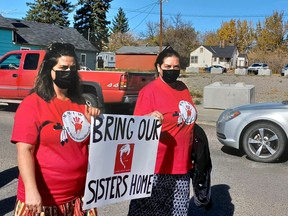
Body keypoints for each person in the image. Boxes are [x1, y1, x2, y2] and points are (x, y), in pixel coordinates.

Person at [11, 42, 100, 216]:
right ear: (49, 70)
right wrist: (31, 191)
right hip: (43, 201)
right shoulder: (32, 104)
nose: (68, 72)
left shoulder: (81, 103)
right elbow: (25, 150)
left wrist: (95, 122)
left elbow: (87, 145)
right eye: (63, 67)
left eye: (73, 68)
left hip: (78, 197)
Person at [128, 46, 197, 215]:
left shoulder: (183, 88)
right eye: (167, 67)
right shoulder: (149, 92)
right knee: (149, 212)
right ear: (159, 67)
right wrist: (148, 119)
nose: (172, 70)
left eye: (176, 67)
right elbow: (136, 128)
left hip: (182, 165)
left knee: (177, 211)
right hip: (157, 167)